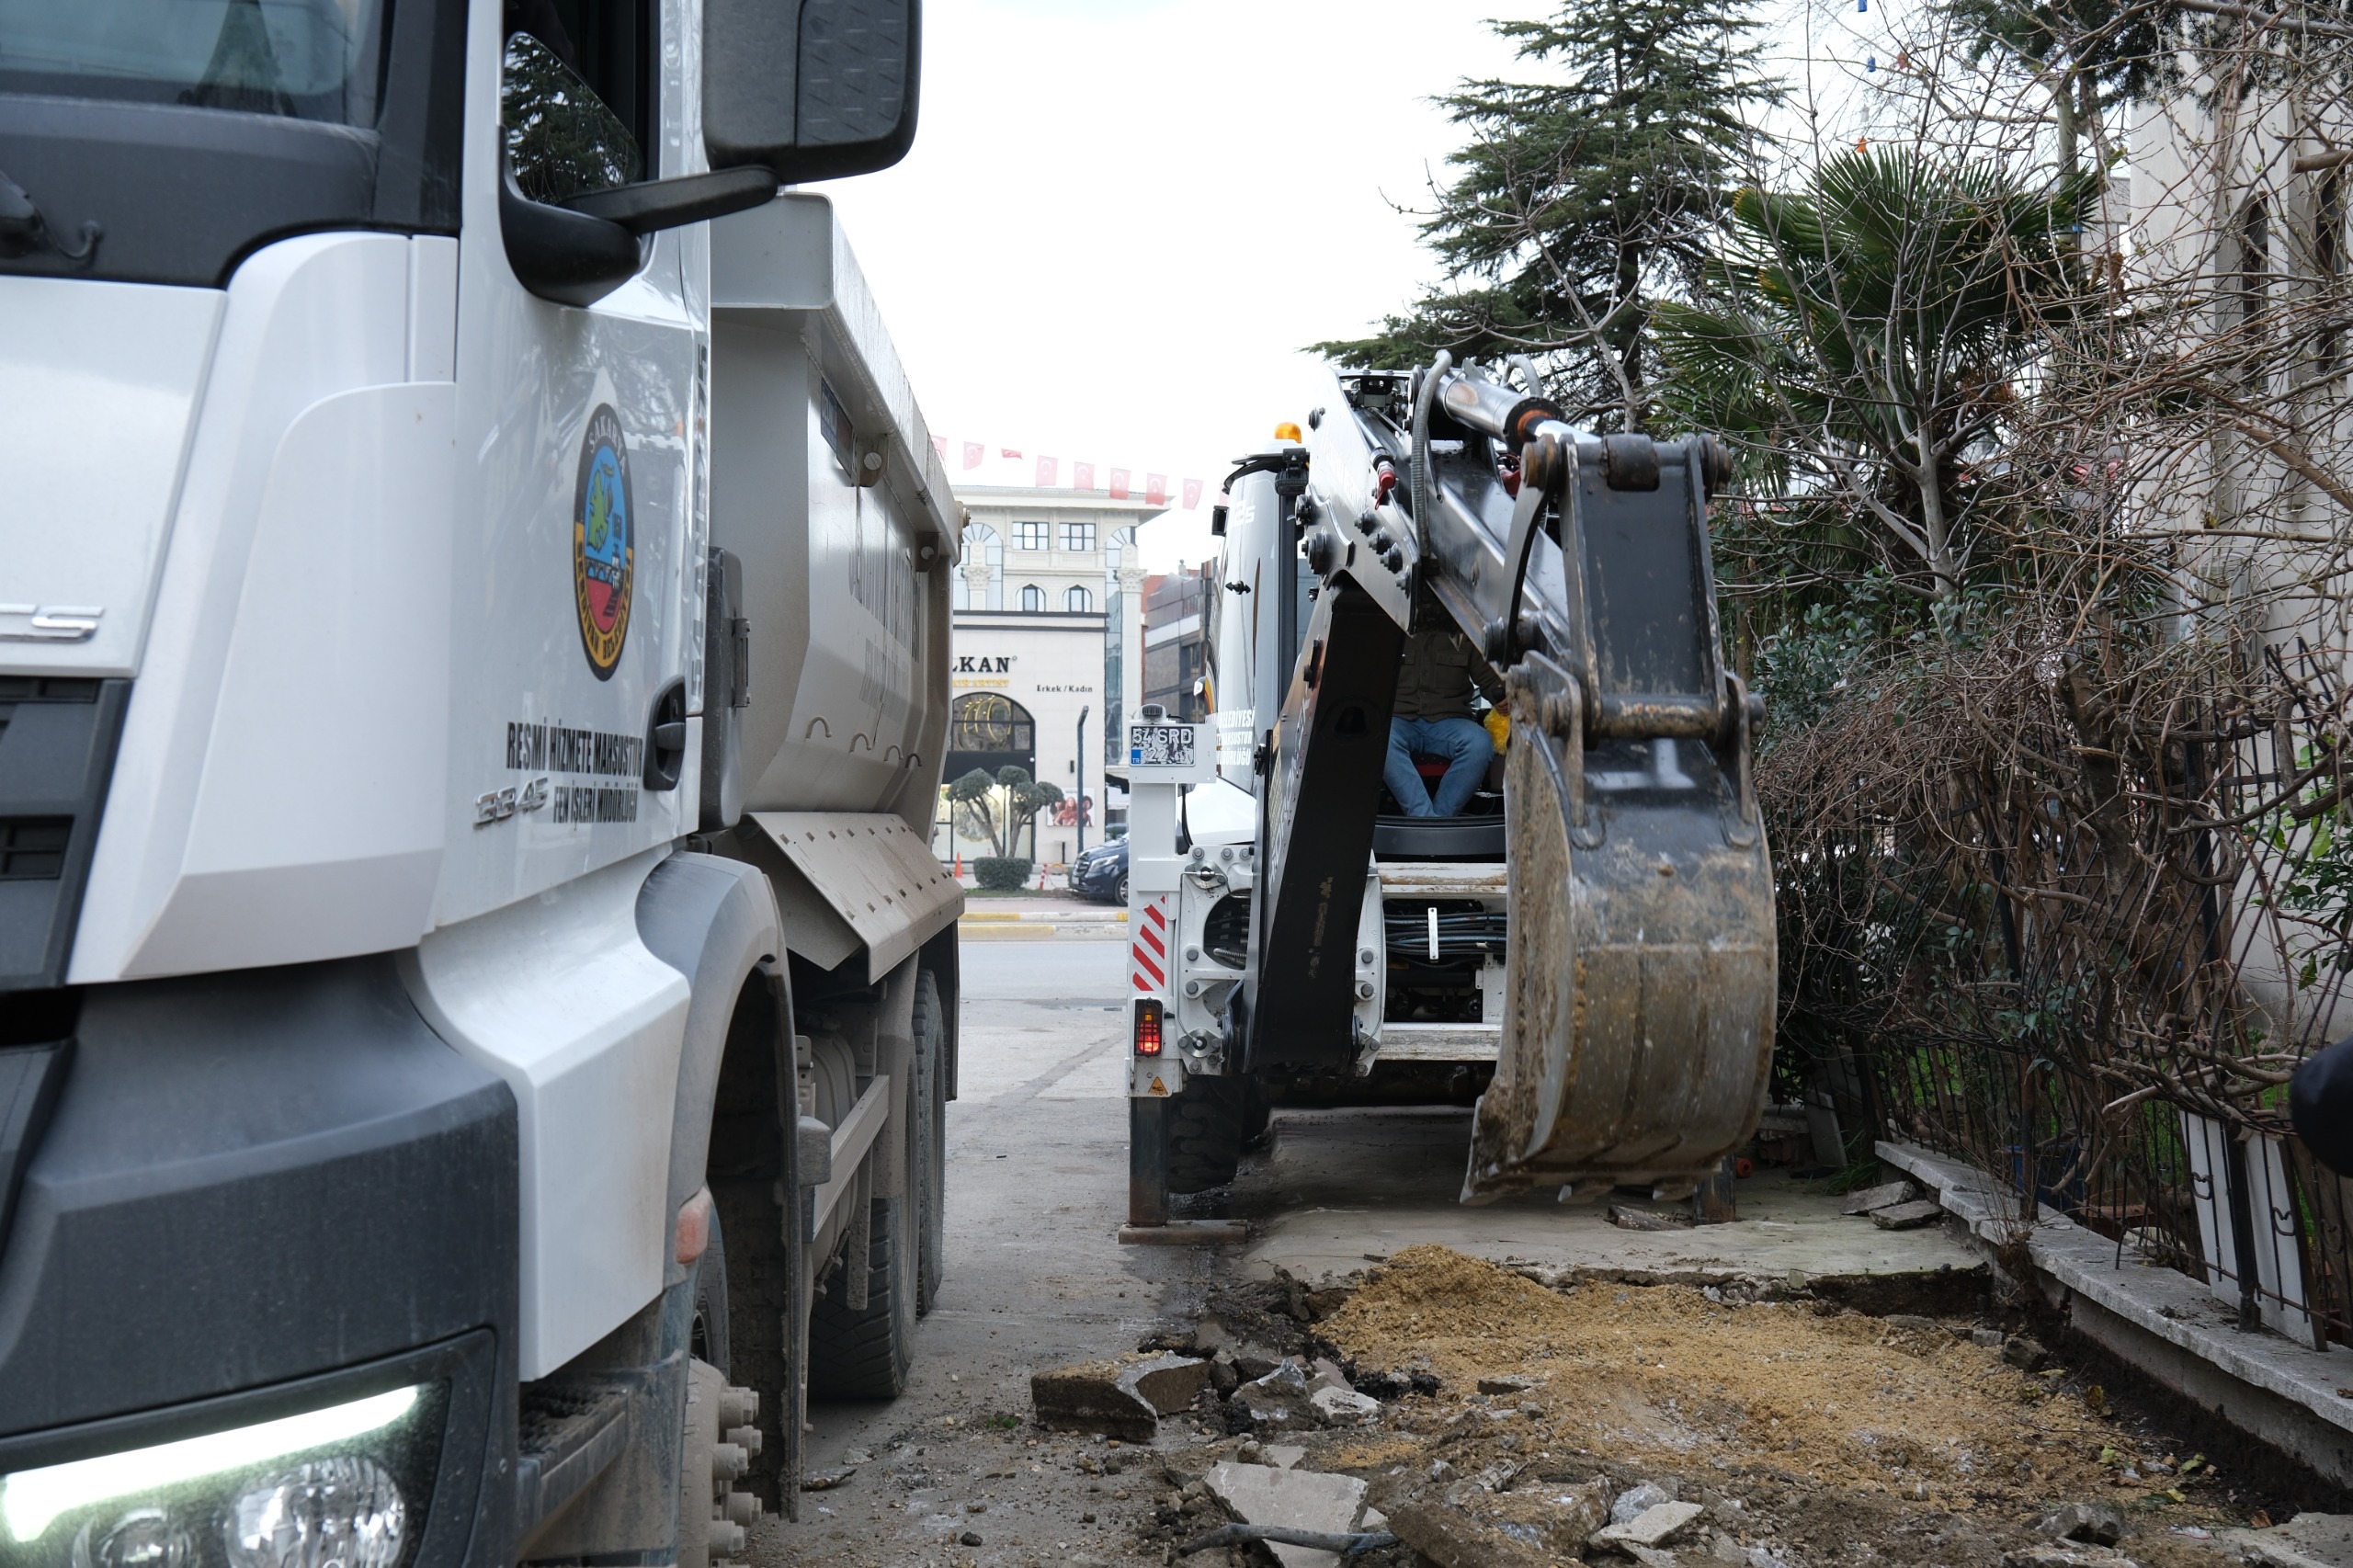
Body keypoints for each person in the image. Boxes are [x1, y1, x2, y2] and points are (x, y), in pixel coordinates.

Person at [1384, 611, 1503, 817]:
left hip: (1450, 721)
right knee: (1380, 740)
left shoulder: (1465, 629)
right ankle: (1426, 820)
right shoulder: (1389, 623)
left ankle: (1438, 819)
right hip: (1398, 720)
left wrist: (1504, 697)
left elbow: (1490, 679)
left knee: (1480, 743)